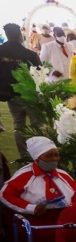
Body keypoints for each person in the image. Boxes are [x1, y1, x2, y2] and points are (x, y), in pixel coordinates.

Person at [1, 137, 76, 242]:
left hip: (64, 218)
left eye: (56, 155)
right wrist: (31, 208)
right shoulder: (24, 175)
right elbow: (5, 195)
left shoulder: (64, 175)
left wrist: (72, 212)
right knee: (43, 237)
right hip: (35, 218)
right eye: (49, 156)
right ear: (37, 158)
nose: (54, 159)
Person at [0, 23, 43, 160]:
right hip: (30, 95)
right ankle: (38, 155)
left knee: (19, 124)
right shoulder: (29, 54)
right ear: (20, 35)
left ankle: (24, 157)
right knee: (37, 125)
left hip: (10, 94)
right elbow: (40, 74)